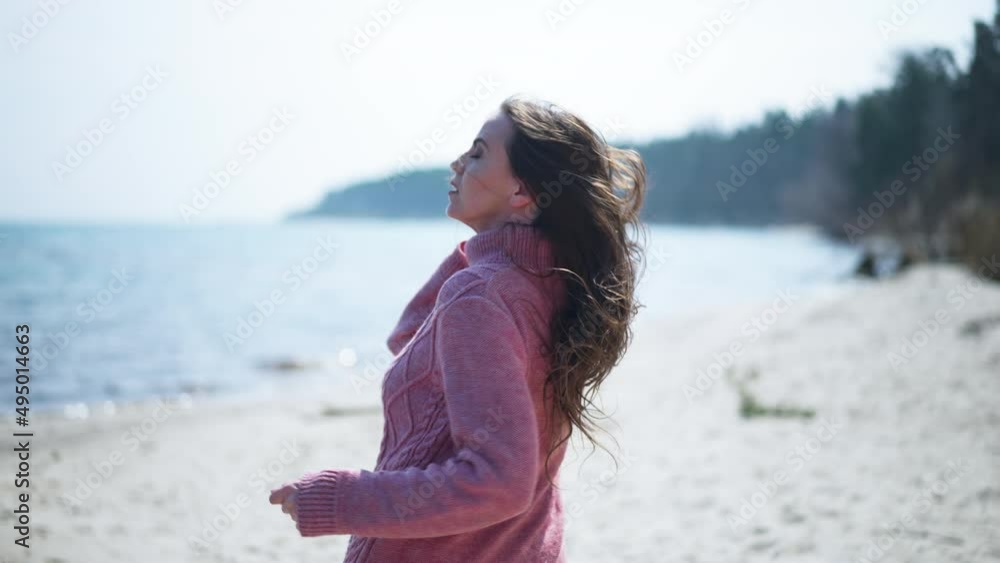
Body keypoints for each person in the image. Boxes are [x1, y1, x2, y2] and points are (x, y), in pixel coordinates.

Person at [269, 95, 648, 562]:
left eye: (477, 153)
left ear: (522, 193)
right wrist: (480, 252)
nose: (457, 163)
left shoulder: (483, 296)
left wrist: (342, 498)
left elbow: (497, 482)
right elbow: (412, 349)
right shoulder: (547, 284)